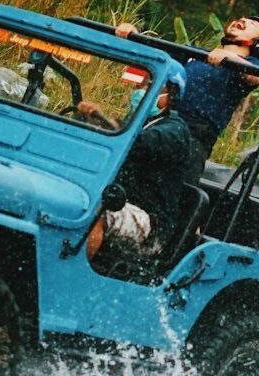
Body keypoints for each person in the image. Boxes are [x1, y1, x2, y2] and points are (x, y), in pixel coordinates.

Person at [115, 16, 259, 162]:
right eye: (241, 18)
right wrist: (134, 36)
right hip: (159, 120)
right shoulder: (195, 53)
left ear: (257, 44)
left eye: (252, 24)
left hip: (194, 137)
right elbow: (157, 57)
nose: (243, 20)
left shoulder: (249, 65)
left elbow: (254, 76)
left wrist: (229, 58)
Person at [82, 62, 199, 258]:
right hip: (114, 199)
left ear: (171, 94)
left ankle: (65, 278)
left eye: (151, 85)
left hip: (149, 223)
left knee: (93, 213)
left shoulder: (175, 130)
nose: (141, 91)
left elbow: (138, 144)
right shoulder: (132, 123)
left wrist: (104, 123)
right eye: (140, 85)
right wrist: (89, 121)